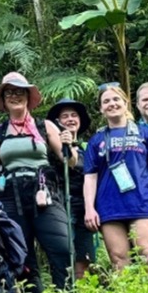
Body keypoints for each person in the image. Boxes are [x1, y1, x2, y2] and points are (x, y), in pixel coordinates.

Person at [0, 73, 71, 293]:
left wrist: (70, 146)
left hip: (43, 191)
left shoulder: (45, 126)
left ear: (27, 96)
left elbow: (68, 159)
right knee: (21, 253)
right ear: (3, 99)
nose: (14, 96)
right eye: (9, 92)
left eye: (19, 92)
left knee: (61, 246)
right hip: (11, 196)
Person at [83, 84, 148, 271]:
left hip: (141, 202)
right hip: (109, 206)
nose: (112, 104)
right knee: (119, 260)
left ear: (125, 103)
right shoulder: (96, 140)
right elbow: (90, 177)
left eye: (116, 99)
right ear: (101, 108)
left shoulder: (145, 134)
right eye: (106, 101)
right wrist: (89, 209)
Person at [47, 99, 95, 281]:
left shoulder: (87, 148)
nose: (70, 119)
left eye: (74, 115)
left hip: (83, 206)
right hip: (60, 203)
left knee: (84, 254)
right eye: (64, 116)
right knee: (64, 251)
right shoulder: (52, 148)